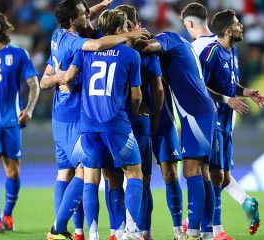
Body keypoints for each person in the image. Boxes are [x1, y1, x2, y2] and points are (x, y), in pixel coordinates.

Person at [40, 0, 149, 239]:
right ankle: (64, 230)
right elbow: (97, 45)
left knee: (71, 172)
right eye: (83, 14)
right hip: (79, 117)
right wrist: (65, 79)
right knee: (86, 173)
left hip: (75, 118)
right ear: (72, 20)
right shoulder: (84, 45)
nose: (88, 17)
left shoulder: (60, 37)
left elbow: (49, 80)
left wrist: (100, 5)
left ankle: (84, 232)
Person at [181, 3, 263, 238]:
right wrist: (227, 99)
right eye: (237, 24)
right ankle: (216, 230)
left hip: (227, 122)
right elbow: (200, 87)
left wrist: (247, 92)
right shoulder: (211, 52)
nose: (241, 27)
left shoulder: (233, 52)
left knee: (223, 175)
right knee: (216, 175)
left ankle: (196, 221)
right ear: (228, 31)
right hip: (212, 120)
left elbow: (230, 83)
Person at [134, 26, 218, 240]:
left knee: (191, 171)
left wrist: (127, 38)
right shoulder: (175, 50)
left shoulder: (168, 38)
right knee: (202, 172)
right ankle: (206, 232)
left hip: (194, 113)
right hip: (198, 111)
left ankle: (190, 232)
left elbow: (147, 45)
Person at [0, 12, 40, 234]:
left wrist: (29, 110)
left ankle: (7, 214)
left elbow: (34, 84)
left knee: (12, 173)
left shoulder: (19, 54)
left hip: (12, 121)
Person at [112, 5, 165, 240]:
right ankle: (144, 232)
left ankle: (117, 231)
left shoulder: (108, 48)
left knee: (113, 179)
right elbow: (159, 89)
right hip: (140, 120)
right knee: (142, 180)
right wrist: (154, 117)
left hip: (113, 121)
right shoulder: (146, 52)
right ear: (134, 25)